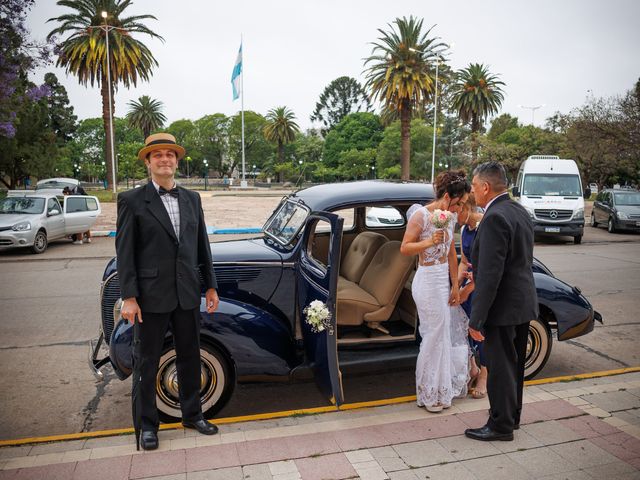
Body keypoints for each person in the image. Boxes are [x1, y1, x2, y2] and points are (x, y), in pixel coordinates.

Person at [116, 132, 220, 450]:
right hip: (149, 298)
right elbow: (125, 253)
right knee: (146, 362)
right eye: (157, 154)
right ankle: (148, 426)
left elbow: (201, 246)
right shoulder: (131, 201)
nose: (165, 159)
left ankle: (192, 415)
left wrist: (211, 285)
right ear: (148, 161)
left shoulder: (192, 199)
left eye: (170, 154)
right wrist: (129, 297)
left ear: (177, 160)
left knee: (190, 356)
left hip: (187, 292)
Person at [465, 162, 538, 442]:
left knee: (500, 367)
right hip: (522, 301)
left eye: (473, 186)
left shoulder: (494, 217)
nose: (472, 191)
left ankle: (500, 426)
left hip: (503, 306)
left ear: (485, 187)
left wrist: (477, 318)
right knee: (514, 366)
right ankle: (512, 416)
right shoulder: (518, 209)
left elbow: (491, 276)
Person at [400, 170, 470, 413]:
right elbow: (405, 248)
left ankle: (441, 391)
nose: (460, 208)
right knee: (433, 335)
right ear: (448, 196)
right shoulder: (421, 215)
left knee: (443, 336)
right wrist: (430, 241)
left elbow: (451, 254)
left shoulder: (448, 217)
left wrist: (455, 286)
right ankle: (428, 393)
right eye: (459, 202)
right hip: (427, 280)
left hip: (443, 281)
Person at [457, 195, 487, 399]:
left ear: (466, 208)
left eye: (457, 210)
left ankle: (484, 375)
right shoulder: (463, 230)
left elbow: (488, 266)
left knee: (482, 329)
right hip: (470, 280)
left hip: (485, 284)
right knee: (464, 325)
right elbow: (464, 262)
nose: (452, 215)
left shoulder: (484, 226)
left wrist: (467, 289)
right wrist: (457, 288)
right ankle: (472, 367)